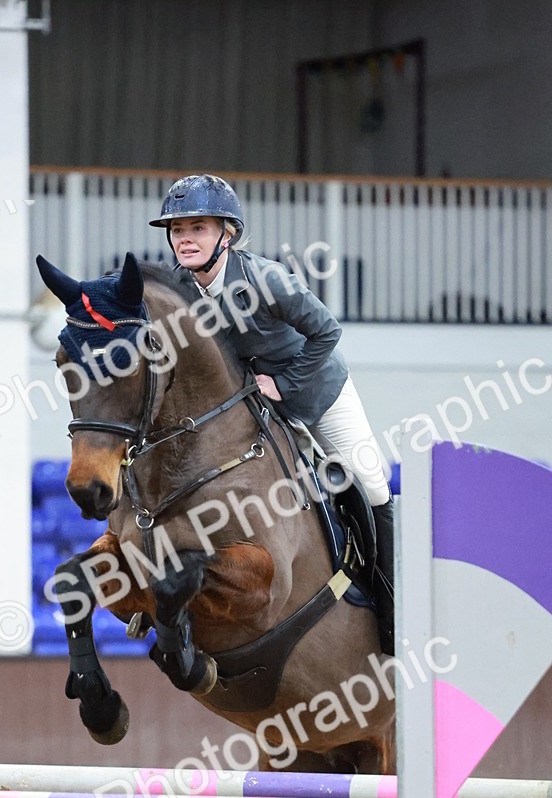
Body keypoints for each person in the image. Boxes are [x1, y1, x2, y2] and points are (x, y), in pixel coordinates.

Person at [149, 173, 395, 655]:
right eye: (177, 230)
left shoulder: (266, 278)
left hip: (318, 391)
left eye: (197, 228)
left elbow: (327, 331)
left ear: (228, 233)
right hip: (250, 401)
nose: (185, 239)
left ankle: (394, 608)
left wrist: (284, 384)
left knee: (372, 484)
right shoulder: (175, 287)